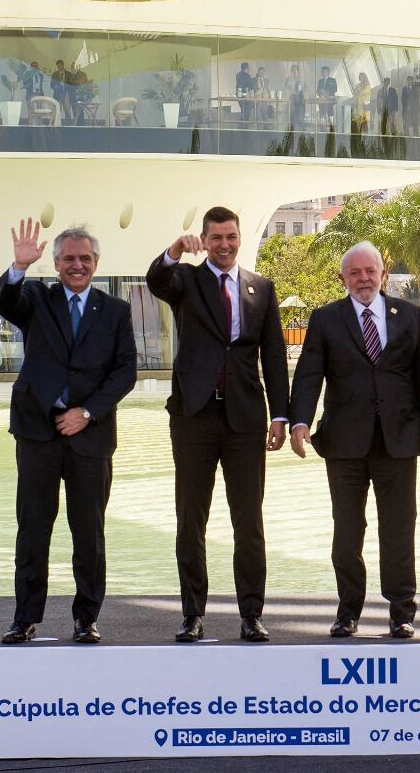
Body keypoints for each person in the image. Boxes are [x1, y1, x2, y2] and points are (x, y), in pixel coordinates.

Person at [0, 219, 138, 646]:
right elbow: (4, 300)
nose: (78, 266)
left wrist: (87, 412)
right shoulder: (36, 297)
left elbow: (126, 370)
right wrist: (18, 266)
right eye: (69, 259)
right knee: (33, 528)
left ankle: (86, 618)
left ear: (97, 263)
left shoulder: (116, 310)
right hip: (37, 432)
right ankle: (25, 618)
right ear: (55, 263)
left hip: (89, 436)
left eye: (85, 259)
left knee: (88, 532)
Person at [146, 207, 289, 643]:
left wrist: (280, 414)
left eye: (230, 237)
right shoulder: (186, 281)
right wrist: (173, 251)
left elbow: (275, 357)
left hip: (246, 418)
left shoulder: (261, 288)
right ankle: (192, 614)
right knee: (191, 518)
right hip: (194, 416)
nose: (224, 245)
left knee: (249, 521)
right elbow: (156, 280)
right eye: (216, 238)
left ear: (240, 238)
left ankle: (251, 614)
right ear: (204, 241)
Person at [287, 242, 420, 638]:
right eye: (354, 273)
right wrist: (299, 421)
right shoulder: (325, 319)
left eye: (370, 271)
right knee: (347, 531)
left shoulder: (407, 315)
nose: (363, 279)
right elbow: (308, 374)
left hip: (399, 440)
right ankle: (348, 611)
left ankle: (402, 612)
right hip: (344, 443)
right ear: (343, 279)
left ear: (382, 274)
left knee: (399, 529)